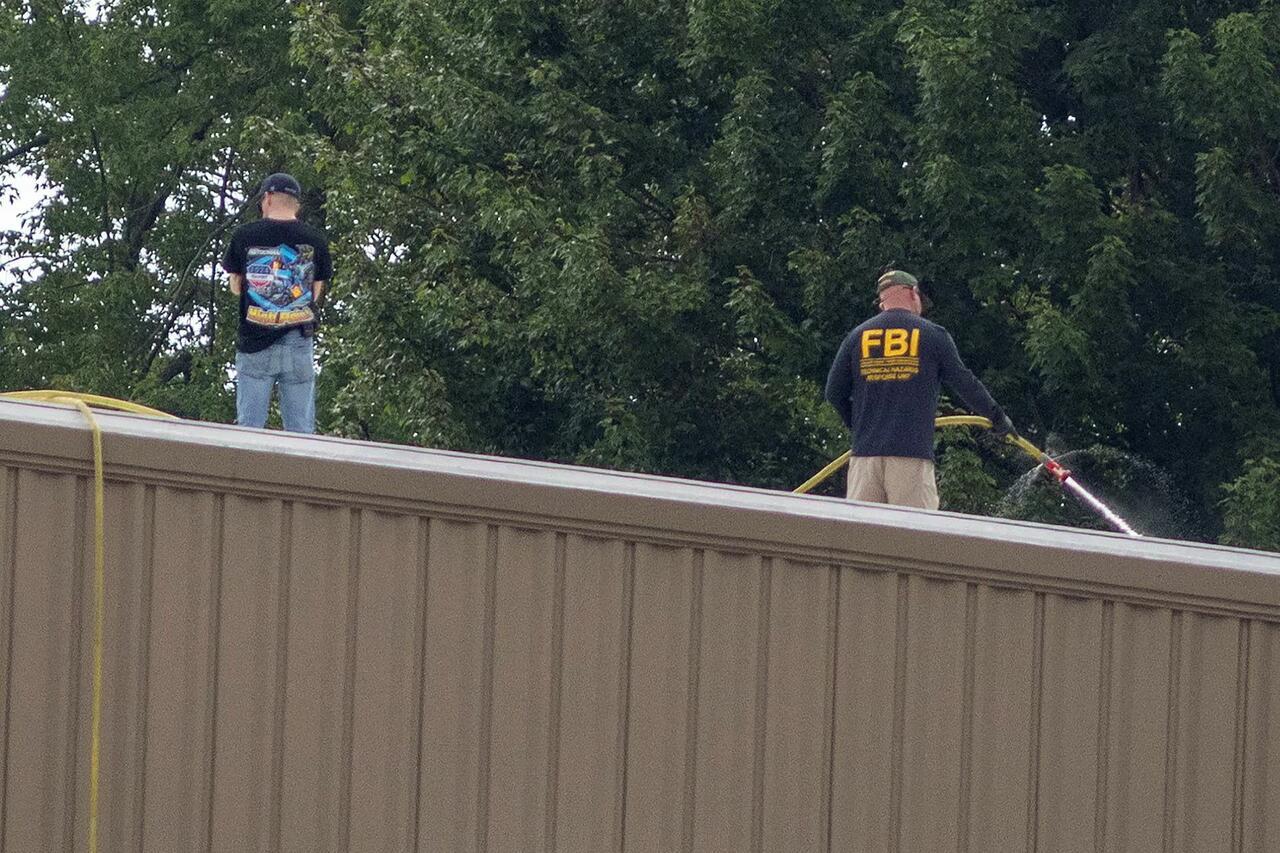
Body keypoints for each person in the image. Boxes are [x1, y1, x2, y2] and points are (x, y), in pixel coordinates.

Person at [824, 269, 1016, 510]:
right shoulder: (932, 335)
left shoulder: (857, 336)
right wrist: (997, 417)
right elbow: (965, 383)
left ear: (883, 301)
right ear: (913, 293)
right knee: (915, 532)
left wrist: (860, 427)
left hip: (865, 459)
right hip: (911, 458)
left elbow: (834, 392)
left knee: (863, 532)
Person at [221, 173, 332, 433]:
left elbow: (236, 287)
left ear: (268, 198)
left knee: (249, 431)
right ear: (297, 204)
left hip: (255, 343)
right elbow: (316, 292)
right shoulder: (316, 240)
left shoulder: (244, 236)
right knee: (301, 433)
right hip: (298, 342)